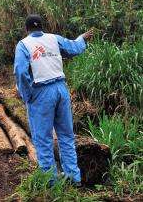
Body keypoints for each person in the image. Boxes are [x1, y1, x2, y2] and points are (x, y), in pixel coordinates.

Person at [14, 14, 93, 186]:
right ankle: (74, 178)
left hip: (41, 93)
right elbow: (74, 48)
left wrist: (28, 95)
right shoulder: (53, 39)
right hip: (61, 89)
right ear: (42, 27)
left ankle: (51, 182)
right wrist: (82, 38)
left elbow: (20, 71)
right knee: (66, 135)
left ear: (26, 29)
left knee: (43, 139)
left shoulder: (23, 45)